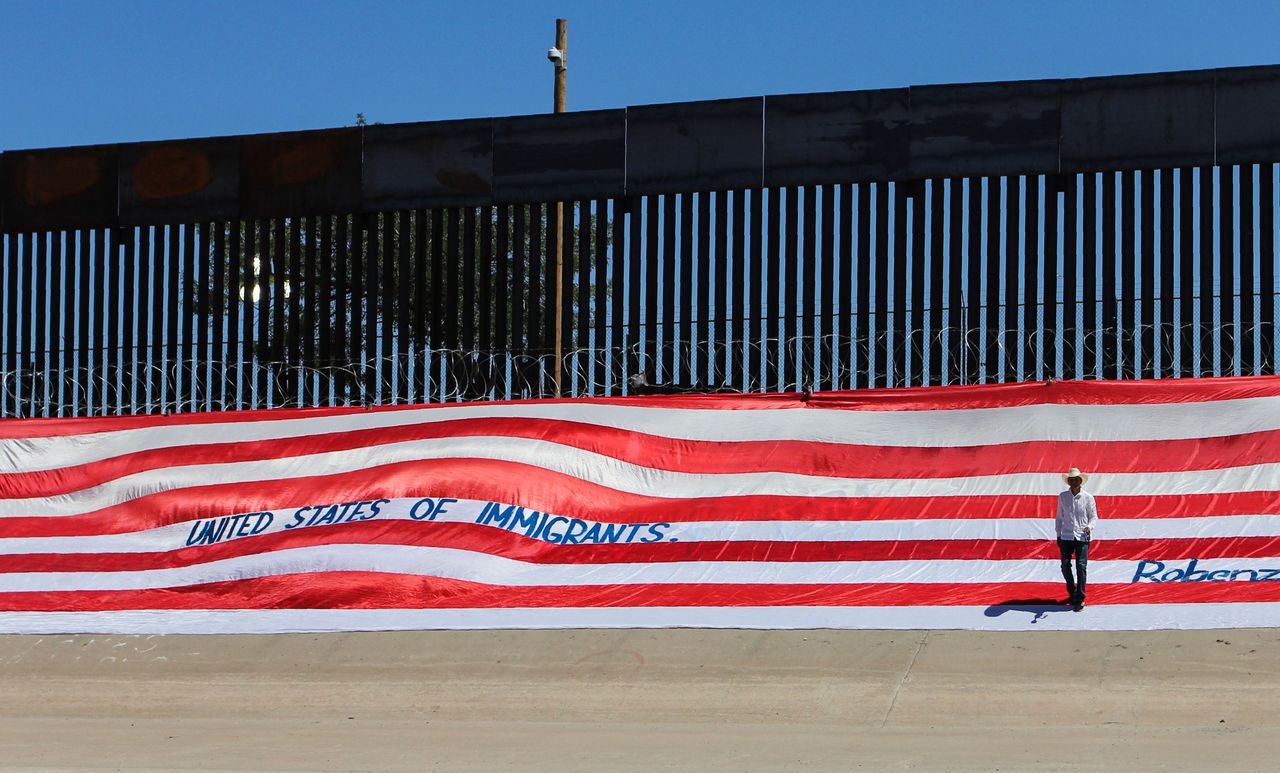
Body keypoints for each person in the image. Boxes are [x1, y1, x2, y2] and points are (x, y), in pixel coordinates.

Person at [1055, 467, 1098, 612]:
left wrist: (1090, 527)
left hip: (1082, 536)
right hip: (1066, 535)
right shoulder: (1063, 497)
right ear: (1069, 482)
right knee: (1065, 565)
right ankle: (1072, 590)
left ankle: (1080, 597)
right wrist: (1058, 535)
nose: (1073, 482)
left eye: (1076, 480)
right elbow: (1059, 517)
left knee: (1081, 566)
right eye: (1071, 480)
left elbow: (1093, 516)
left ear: (1080, 481)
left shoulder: (1088, 498)